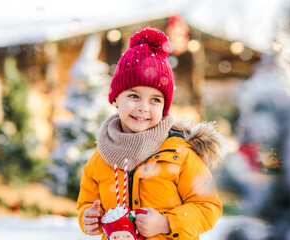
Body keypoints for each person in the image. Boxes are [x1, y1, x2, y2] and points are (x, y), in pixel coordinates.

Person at [76, 27, 226, 240]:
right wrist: (88, 217)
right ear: (116, 99)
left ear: (165, 107)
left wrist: (166, 223)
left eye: (155, 99)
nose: (144, 107)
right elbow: (86, 204)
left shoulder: (180, 155)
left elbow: (208, 206)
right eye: (134, 95)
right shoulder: (101, 158)